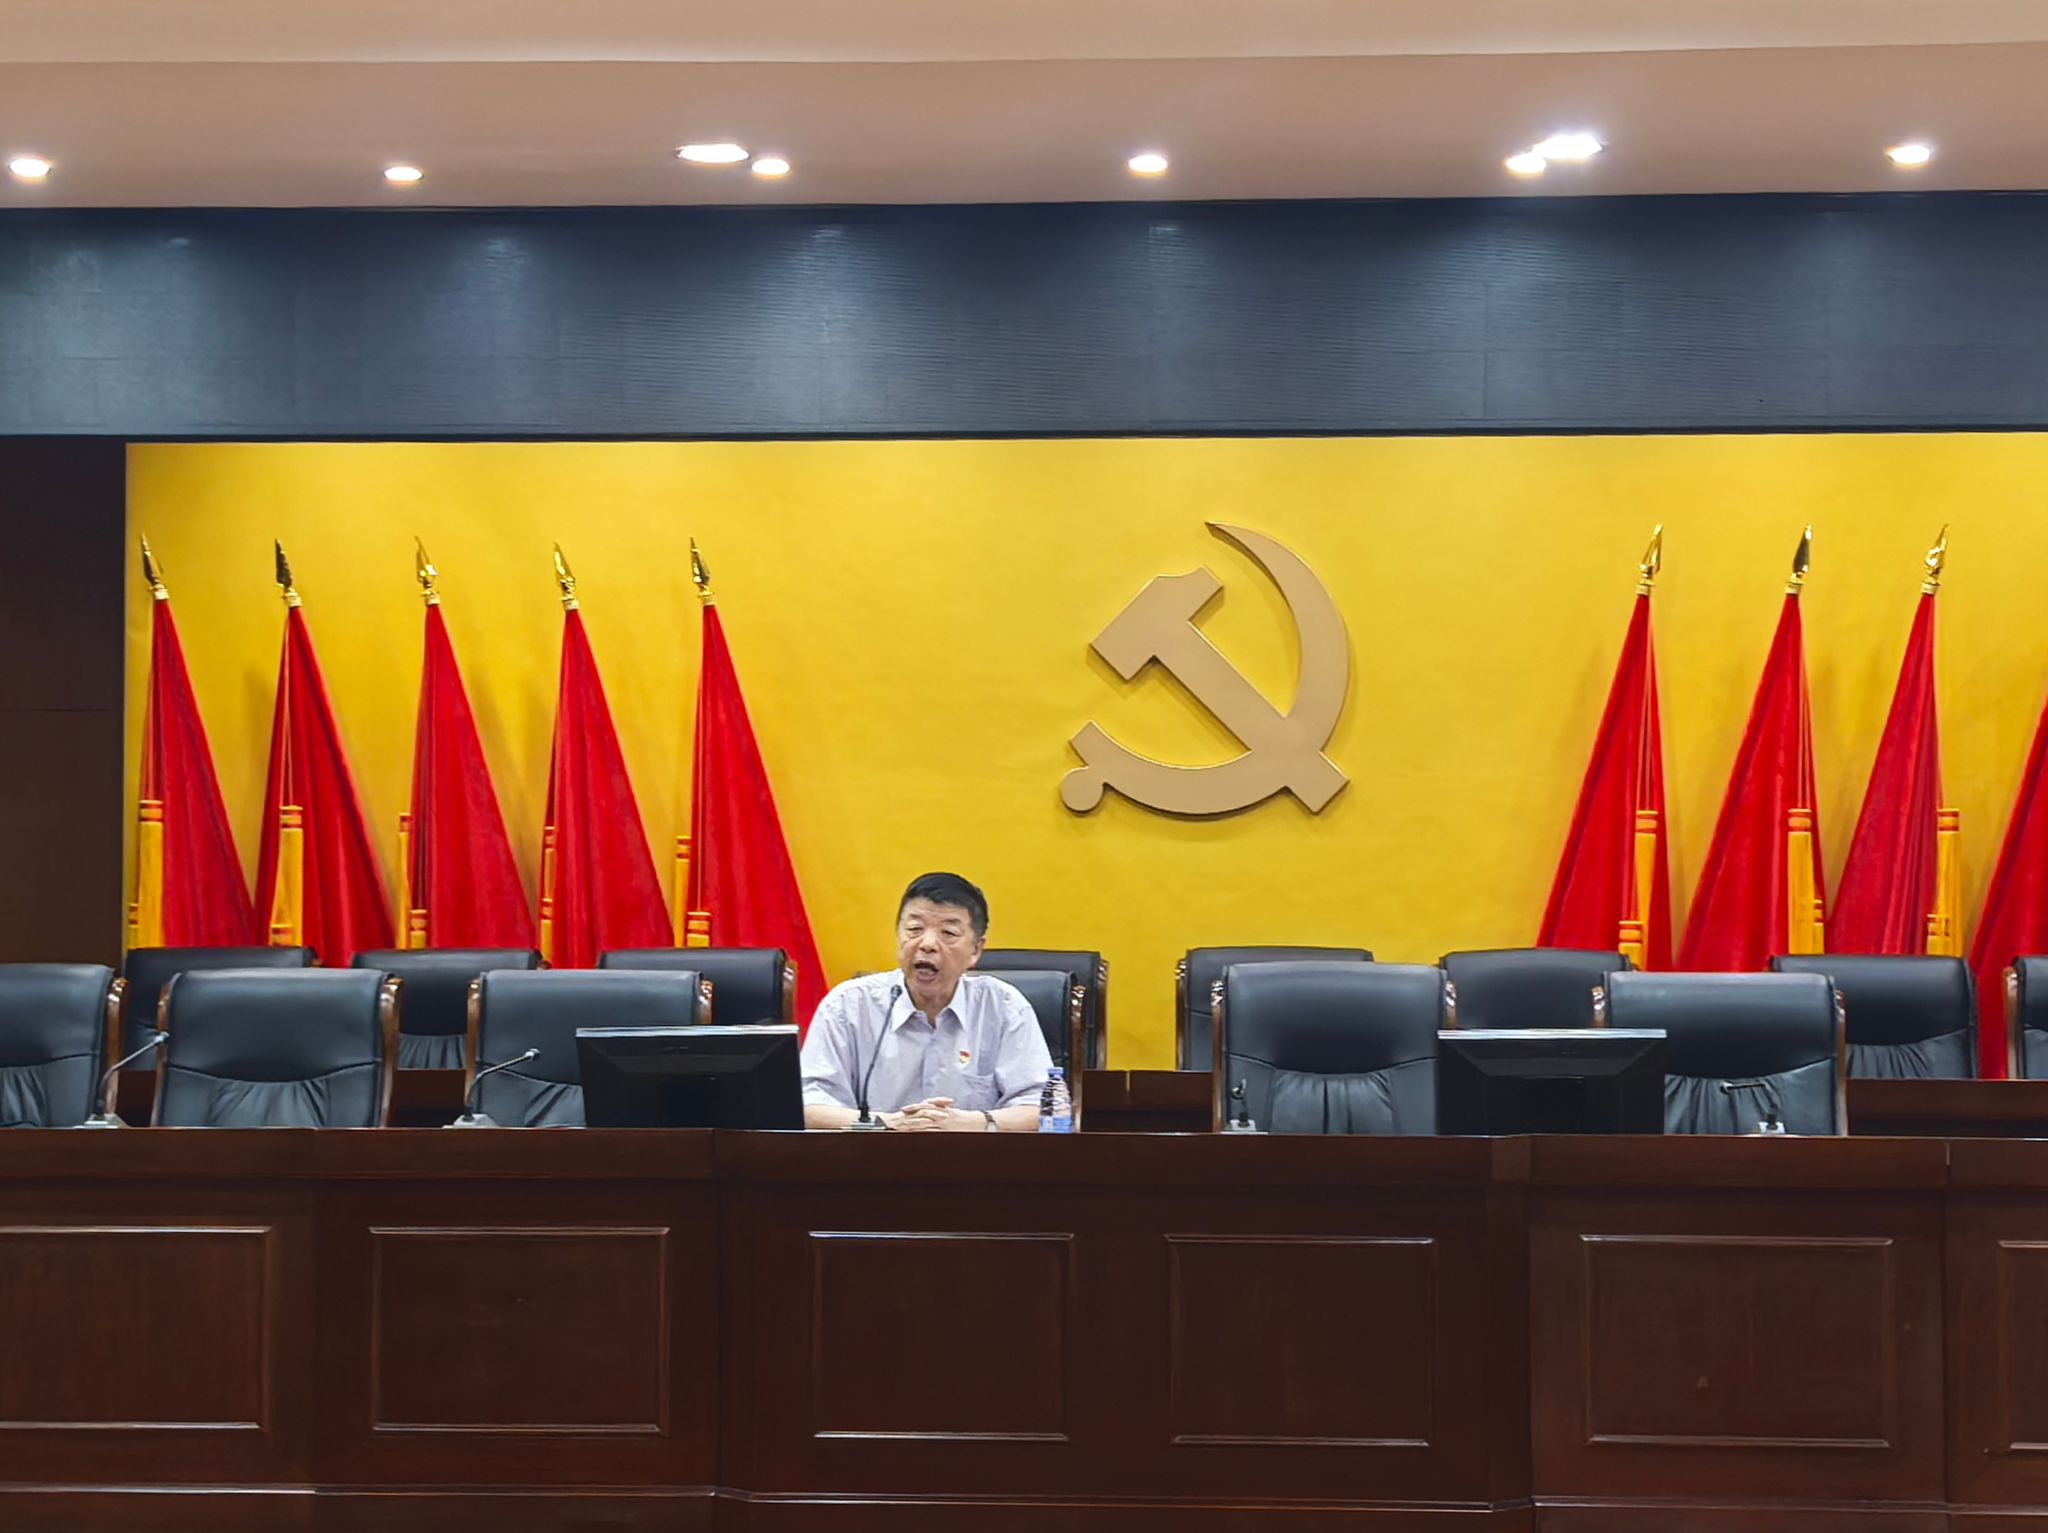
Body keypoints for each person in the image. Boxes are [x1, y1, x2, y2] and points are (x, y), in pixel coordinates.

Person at [801, 871, 1052, 1131]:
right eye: (914, 929)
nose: (928, 944)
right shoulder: (848, 1006)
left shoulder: (1004, 1007)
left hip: (973, 1155)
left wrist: (972, 1123)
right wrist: (887, 1124)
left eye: (948, 933)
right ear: (898, 935)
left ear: (976, 950)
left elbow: (1044, 1107)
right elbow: (808, 1105)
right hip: (872, 1153)